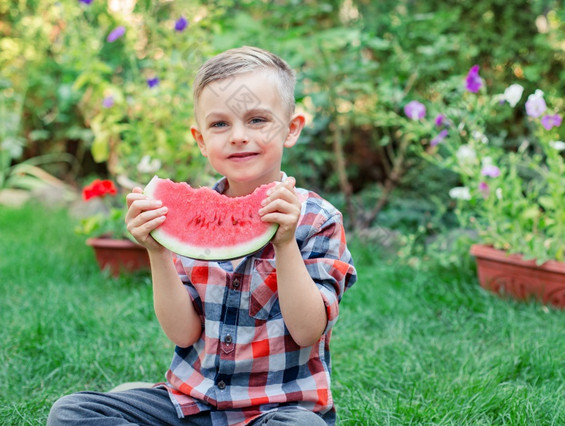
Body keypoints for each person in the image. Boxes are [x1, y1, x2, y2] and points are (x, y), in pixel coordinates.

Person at [48, 46, 357, 425]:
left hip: (276, 412)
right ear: (200, 139)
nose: (238, 136)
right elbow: (182, 332)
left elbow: (308, 330)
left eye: (258, 120)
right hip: (191, 407)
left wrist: (285, 242)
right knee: (73, 412)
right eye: (220, 124)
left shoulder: (319, 220)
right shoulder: (186, 221)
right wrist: (157, 251)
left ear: (291, 128)